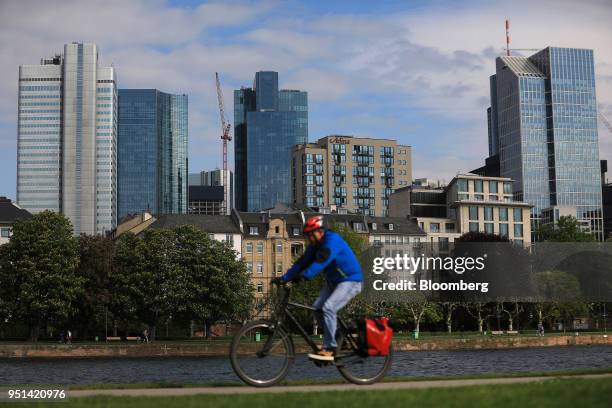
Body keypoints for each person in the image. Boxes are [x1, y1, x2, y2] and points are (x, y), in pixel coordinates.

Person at [273, 215, 363, 362]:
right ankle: (338, 337)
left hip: (350, 280)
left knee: (328, 308)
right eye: (307, 236)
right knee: (317, 308)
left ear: (320, 231)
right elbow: (302, 262)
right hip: (333, 282)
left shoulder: (332, 241)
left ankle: (330, 348)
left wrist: (304, 276)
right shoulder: (315, 245)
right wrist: (285, 277)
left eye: (310, 235)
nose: (309, 239)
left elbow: (322, 260)